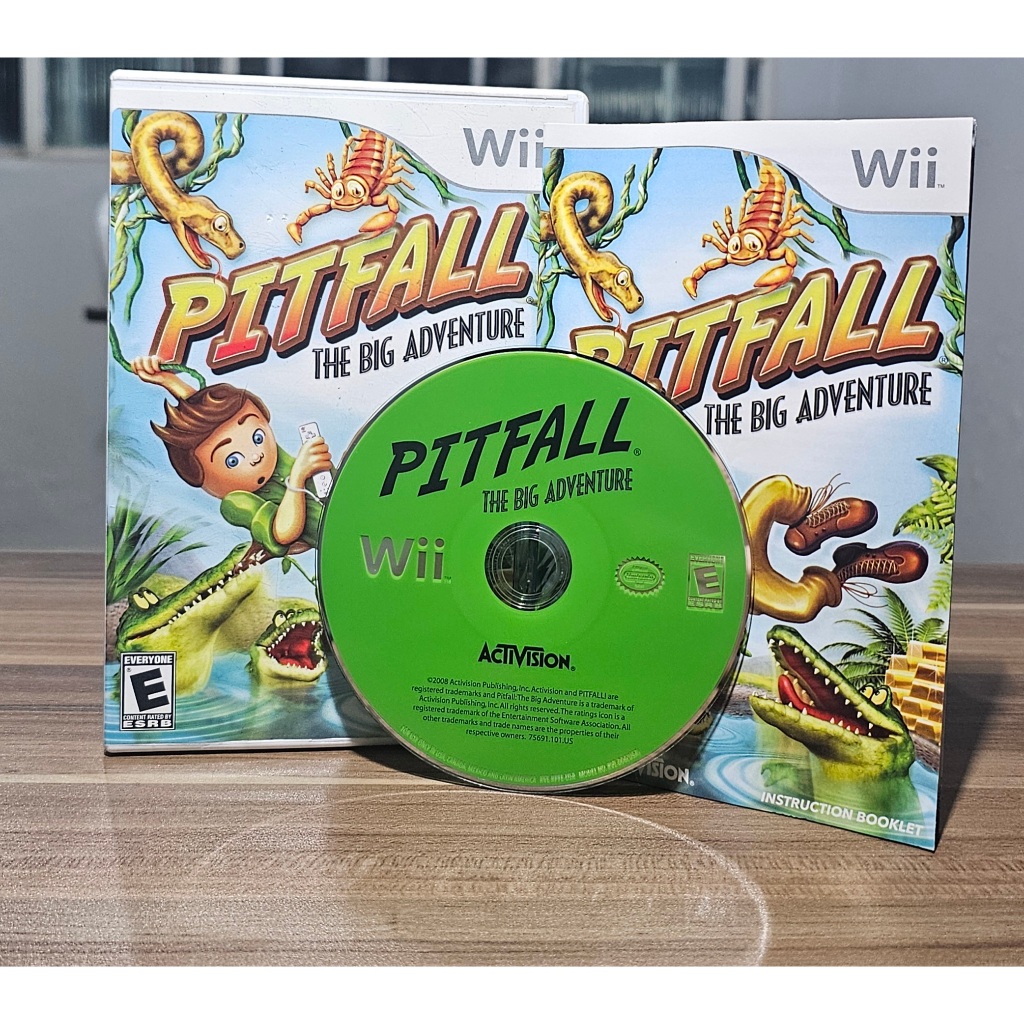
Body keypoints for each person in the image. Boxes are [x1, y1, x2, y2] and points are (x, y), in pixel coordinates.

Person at [131, 355, 333, 558]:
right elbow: (283, 533)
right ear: (201, 478)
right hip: (337, 542)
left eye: (257, 437)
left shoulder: (272, 457)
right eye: (233, 460)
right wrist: (298, 477)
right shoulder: (237, 500)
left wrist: (168, 380)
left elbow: (205, 415)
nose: (255, 455)